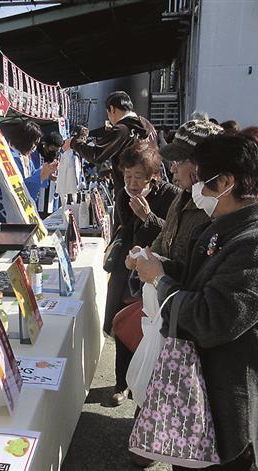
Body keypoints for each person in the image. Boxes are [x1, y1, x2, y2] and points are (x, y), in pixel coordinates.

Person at [131, 128, 258, 470]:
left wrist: (159, 279)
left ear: (226, 183)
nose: (193, 188)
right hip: (199, 396)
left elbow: (209, 320)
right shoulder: (225, 225)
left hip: (231, 410)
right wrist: (159, 265)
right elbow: (197, 277)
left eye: (202, 181)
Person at [107, 141, 180, 406]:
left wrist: (148, 217)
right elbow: (122, 230)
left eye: (139, 176)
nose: (133, 182)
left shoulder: (171, 196)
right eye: (127, 176)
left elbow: (172, 236)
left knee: (147, 327)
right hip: (127, 270)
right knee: (122, 322)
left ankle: (146, 381)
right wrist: (126, 257)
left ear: (153, 175)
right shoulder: (122, 195)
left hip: (155, 274)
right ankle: (120, 383)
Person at [127, 119, 222, 286]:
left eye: (178, 162)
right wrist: (144, 256)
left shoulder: (214, 210)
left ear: (200, 166)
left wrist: (148, 218)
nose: (172, 169)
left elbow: (195, 279)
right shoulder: (181, 197)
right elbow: (164, 239)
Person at [68, 91, 157, 195]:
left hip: (128, 192)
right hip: (151, 188)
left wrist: (74, 143)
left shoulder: (121, 130)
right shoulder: (147, 125)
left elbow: (96, 155)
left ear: (112, 109)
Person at [0, 120, 58, 221]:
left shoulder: (24, 156)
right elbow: (19, 188)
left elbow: (32, 176)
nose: (34, 148)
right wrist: (41, 176)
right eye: (34, 143)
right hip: (10, 212)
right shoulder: (10, 158)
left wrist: (47, 172)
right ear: (25, 139)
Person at [34, 132, 63, 217]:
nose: (54, 153)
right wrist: (47, 175)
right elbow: (31, 173)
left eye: (57, 150)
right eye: (52, 149)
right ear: (45, 145)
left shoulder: (59, 156)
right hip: (37, 198)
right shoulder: (35, 154)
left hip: (53, 198)